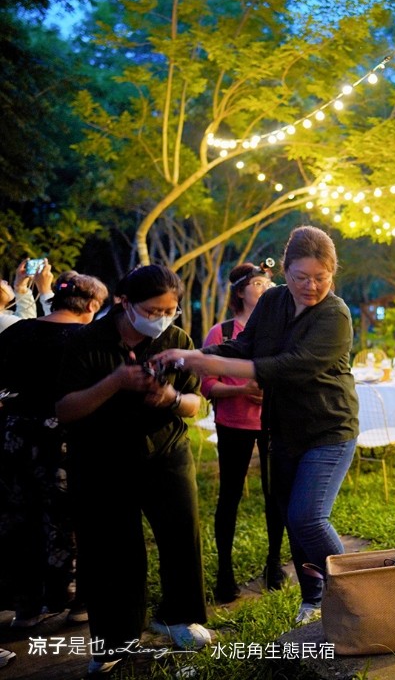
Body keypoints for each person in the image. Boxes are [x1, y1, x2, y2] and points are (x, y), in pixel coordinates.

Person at [152, 226, 359, 626]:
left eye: (320, 277)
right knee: (292, 519)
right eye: (301, 277)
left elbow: (293, 366)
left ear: (332, 273)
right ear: (284, 270)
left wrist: (216, 364)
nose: (311, 286)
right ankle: (313, 598)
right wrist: (194, 356)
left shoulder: (335, 314)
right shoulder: (274, 301)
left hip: (329, 429)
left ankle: (358, 590)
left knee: (308, 517)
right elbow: (244, 346)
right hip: (282, 430)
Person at [55, 265, 209, 675]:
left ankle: (178, 617)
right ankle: (113, 642)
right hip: (101, 459)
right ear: (125, 303)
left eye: (170, 310)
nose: (162, 318)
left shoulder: (176, 340)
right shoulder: (85, 341)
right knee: (111, 550)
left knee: (181, 534)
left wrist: (171, 398)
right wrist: (115, 383)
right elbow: (65, 409)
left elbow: (195, 403)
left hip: (166, 451)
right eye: (153, 311)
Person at [0, 272, 108, 629]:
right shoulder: (88, 338)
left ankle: (25, 608)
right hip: (67, 437)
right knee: (73, 519)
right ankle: (77, 601)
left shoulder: (18, 331)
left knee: (20, 519)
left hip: (16, 437)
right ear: (92, 305)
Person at [201, 262, 286, 602]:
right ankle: (224, 572)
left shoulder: (278, 330)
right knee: (230, 496)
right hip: (233, 424)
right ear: (240, 292)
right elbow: (207, 385)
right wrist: (242, 389)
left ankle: (274, 563)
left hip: (273, 422)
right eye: (258, 283)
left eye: (268, 282)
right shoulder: (221, 332)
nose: (266, 288)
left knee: (275, 495)